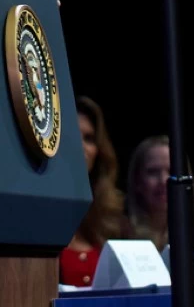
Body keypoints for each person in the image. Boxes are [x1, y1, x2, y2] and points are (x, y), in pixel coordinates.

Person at [60, 97, 125, 287]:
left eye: (89, 138)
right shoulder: (36, 213)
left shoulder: (113, 221)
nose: (81, 147)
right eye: (73, 135)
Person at [123, 135, 194, 254]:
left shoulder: (190, 240)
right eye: (152, 172)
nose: (163, 180)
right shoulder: (119, 235)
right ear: (137, 182)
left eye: (172, 171)